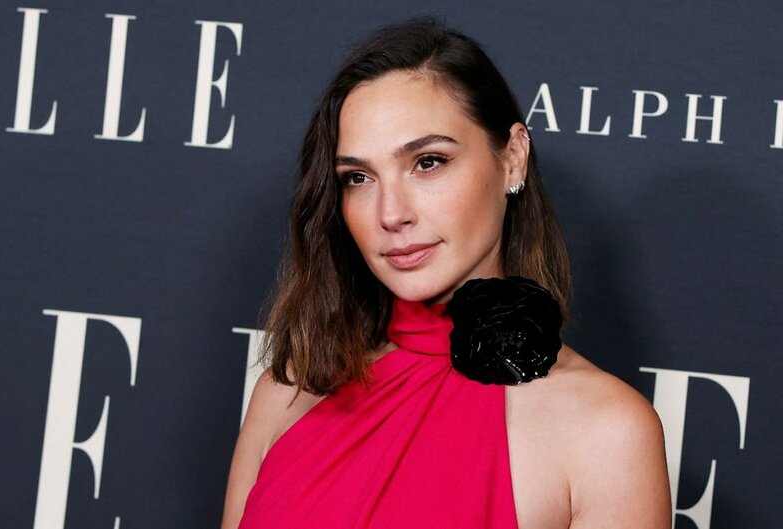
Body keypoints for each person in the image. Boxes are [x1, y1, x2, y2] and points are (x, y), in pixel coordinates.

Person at [221, 15, 671, 529]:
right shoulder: (287, 392)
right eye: (358, 177)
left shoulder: (605, 431)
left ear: (513, 158)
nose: (391, 214)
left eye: (428, 162)